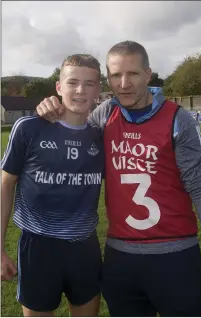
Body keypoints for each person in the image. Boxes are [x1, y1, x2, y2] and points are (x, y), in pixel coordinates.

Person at [36, 41, 201, 317]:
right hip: (120, 259)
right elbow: (70, 128)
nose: (124, 83)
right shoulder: (105, 115)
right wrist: (50, 106)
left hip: (175, 258)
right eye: (115, 75)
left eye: (133, 74)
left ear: (148, 74)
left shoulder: (177, 119)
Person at [1, 54, 104, 317]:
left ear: (98, 90)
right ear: (59, 88)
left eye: (89, 83)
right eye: (72, 82)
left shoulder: (101, 135)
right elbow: (5, 185)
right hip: (38, 247)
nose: (80, 90)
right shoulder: (29, 128)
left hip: (85, 247)